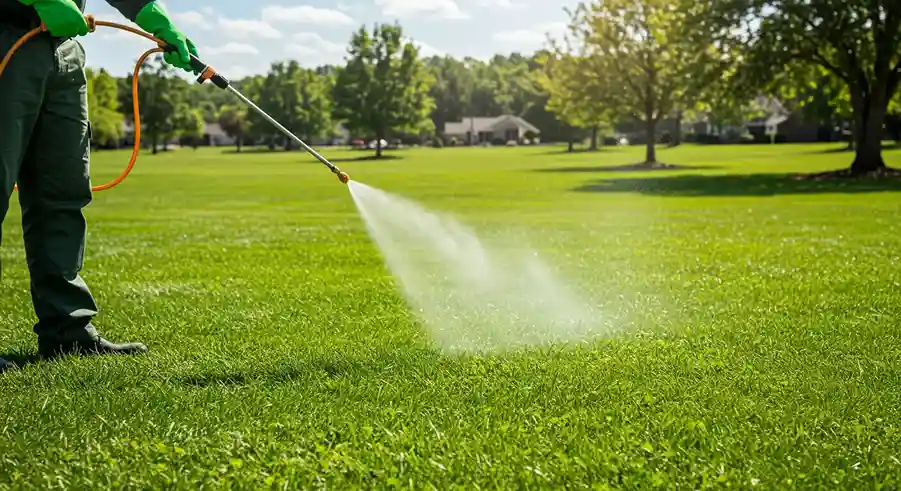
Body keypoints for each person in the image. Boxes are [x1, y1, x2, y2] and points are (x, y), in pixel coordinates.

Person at [0, 0, 198, 373]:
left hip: (64, 51)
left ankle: (67, 329)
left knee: (63, 192)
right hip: (8, 33)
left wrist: (158, 19)